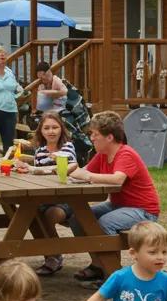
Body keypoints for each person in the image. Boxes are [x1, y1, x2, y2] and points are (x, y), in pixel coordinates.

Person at [67, 111, 161, 287]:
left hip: (144, 210)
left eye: (95, 134)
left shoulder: (125, 154)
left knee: (105, 223)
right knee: (78, 218)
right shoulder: (102, 154)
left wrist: (87, 176)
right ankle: (98, 265)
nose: (92, 139)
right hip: (119, 205)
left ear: (109, 137)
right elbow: (83, 172)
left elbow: (118, 179)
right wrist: (65, 169)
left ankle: (113, 273)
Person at [14, 111, 78, 277]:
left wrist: (52, 162)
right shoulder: (40, 151)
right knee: (28, 213)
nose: (51, 131)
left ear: (61, 129)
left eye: (55, 127)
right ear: (41, 131)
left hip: (66, 199)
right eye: (47, 128)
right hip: (44, 197)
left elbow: (70, 165)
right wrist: (24, 168)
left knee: (50, 214)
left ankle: (54, 254)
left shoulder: (67, 147)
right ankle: (51, 254)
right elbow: (37, 173)